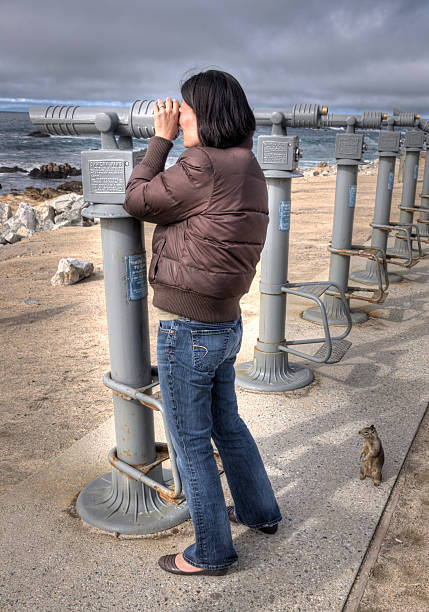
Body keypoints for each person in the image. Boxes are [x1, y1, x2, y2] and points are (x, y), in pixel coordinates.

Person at [124, 70, 281, 576]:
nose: (178, 116)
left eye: (184, 110)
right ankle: (261, 514)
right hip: (226, 323)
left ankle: (211, 552)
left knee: (190, 438)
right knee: (227, 425)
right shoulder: (247, 163)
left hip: (187, 327)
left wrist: (159, 140)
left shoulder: (203, 164)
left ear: (206, 114)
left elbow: (138, 199)